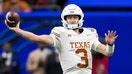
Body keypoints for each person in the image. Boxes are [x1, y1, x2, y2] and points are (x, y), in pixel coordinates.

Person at [5, 4, 118, 74]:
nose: (72, 20)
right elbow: (36, 38)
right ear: (65, 19)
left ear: (80, 18)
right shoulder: (61, 33)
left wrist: (110, 45)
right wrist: (18, 30)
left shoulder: (89, 33)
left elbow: (107, 52)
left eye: (74, 17)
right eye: (69, 17)